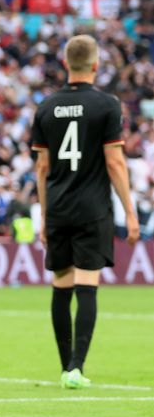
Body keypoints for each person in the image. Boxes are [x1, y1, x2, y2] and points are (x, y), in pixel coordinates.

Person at [31, 35, 139, 390]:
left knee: (60, 285)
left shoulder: (46, 106)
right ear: (95, 65)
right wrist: (131, 212)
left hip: (59, 208)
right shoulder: (107, 105)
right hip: (93, 209)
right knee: (87, 286)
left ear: (66, 64)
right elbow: (115, 162)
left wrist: (44, 217)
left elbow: (42, 168)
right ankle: (77, 367)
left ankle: (65, 368)